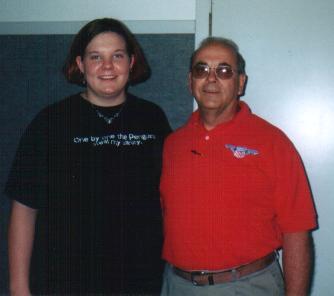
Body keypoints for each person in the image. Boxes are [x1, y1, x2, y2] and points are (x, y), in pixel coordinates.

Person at [5, 18, 171, 295]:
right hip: (66, 280)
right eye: (96, 57)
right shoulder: (52, 122)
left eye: (117, 56)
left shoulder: (152, 118)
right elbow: (23, 209)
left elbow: (168, 201)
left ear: (131, 62)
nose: (107, 67)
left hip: (140, 281)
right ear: (81, 65)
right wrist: (18, 287)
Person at [160, 36, 317, 296]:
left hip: (246, 287)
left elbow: (297, 232)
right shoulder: (172, 145)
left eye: (224, 71)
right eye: (202, 70)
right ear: (190, 82)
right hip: (176, 285)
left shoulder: (273, 143)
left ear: (240, 83)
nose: (211, 79)